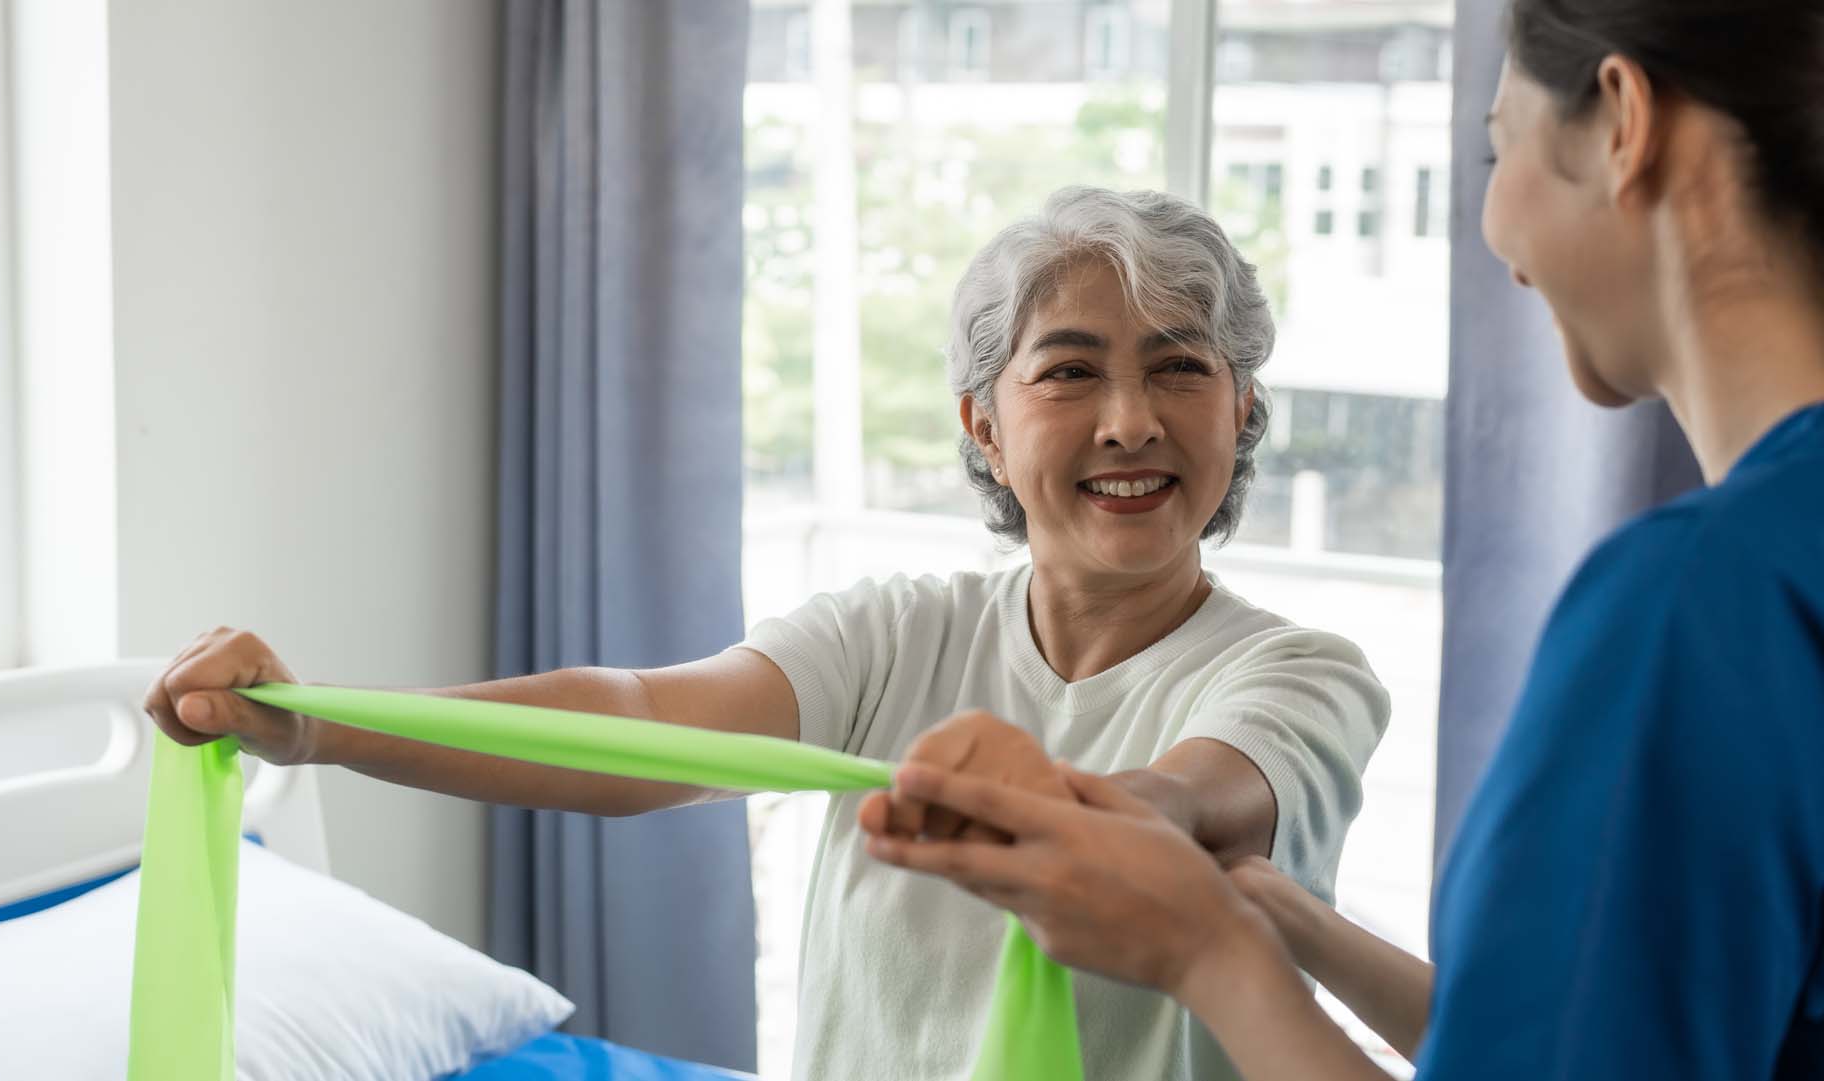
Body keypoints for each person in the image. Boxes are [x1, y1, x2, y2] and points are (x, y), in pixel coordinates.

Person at [145, 186, 1390, 1080]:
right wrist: (318, 729)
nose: (1129, 421)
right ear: (985, 425)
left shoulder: (1297, 674)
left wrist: (1053, 802)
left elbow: (1179, 806)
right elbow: (636, 723)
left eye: (1180, 368)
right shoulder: (895, 632)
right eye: (1069, 372)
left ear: (1241, 409)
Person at [864, 2, 1824, 1078]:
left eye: (1496, 149)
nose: (1496, 231)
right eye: (1070, 371)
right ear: (983, 425)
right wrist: (1286, 925)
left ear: (1622, 124)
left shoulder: (1704, 603)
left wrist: (1205, 950)